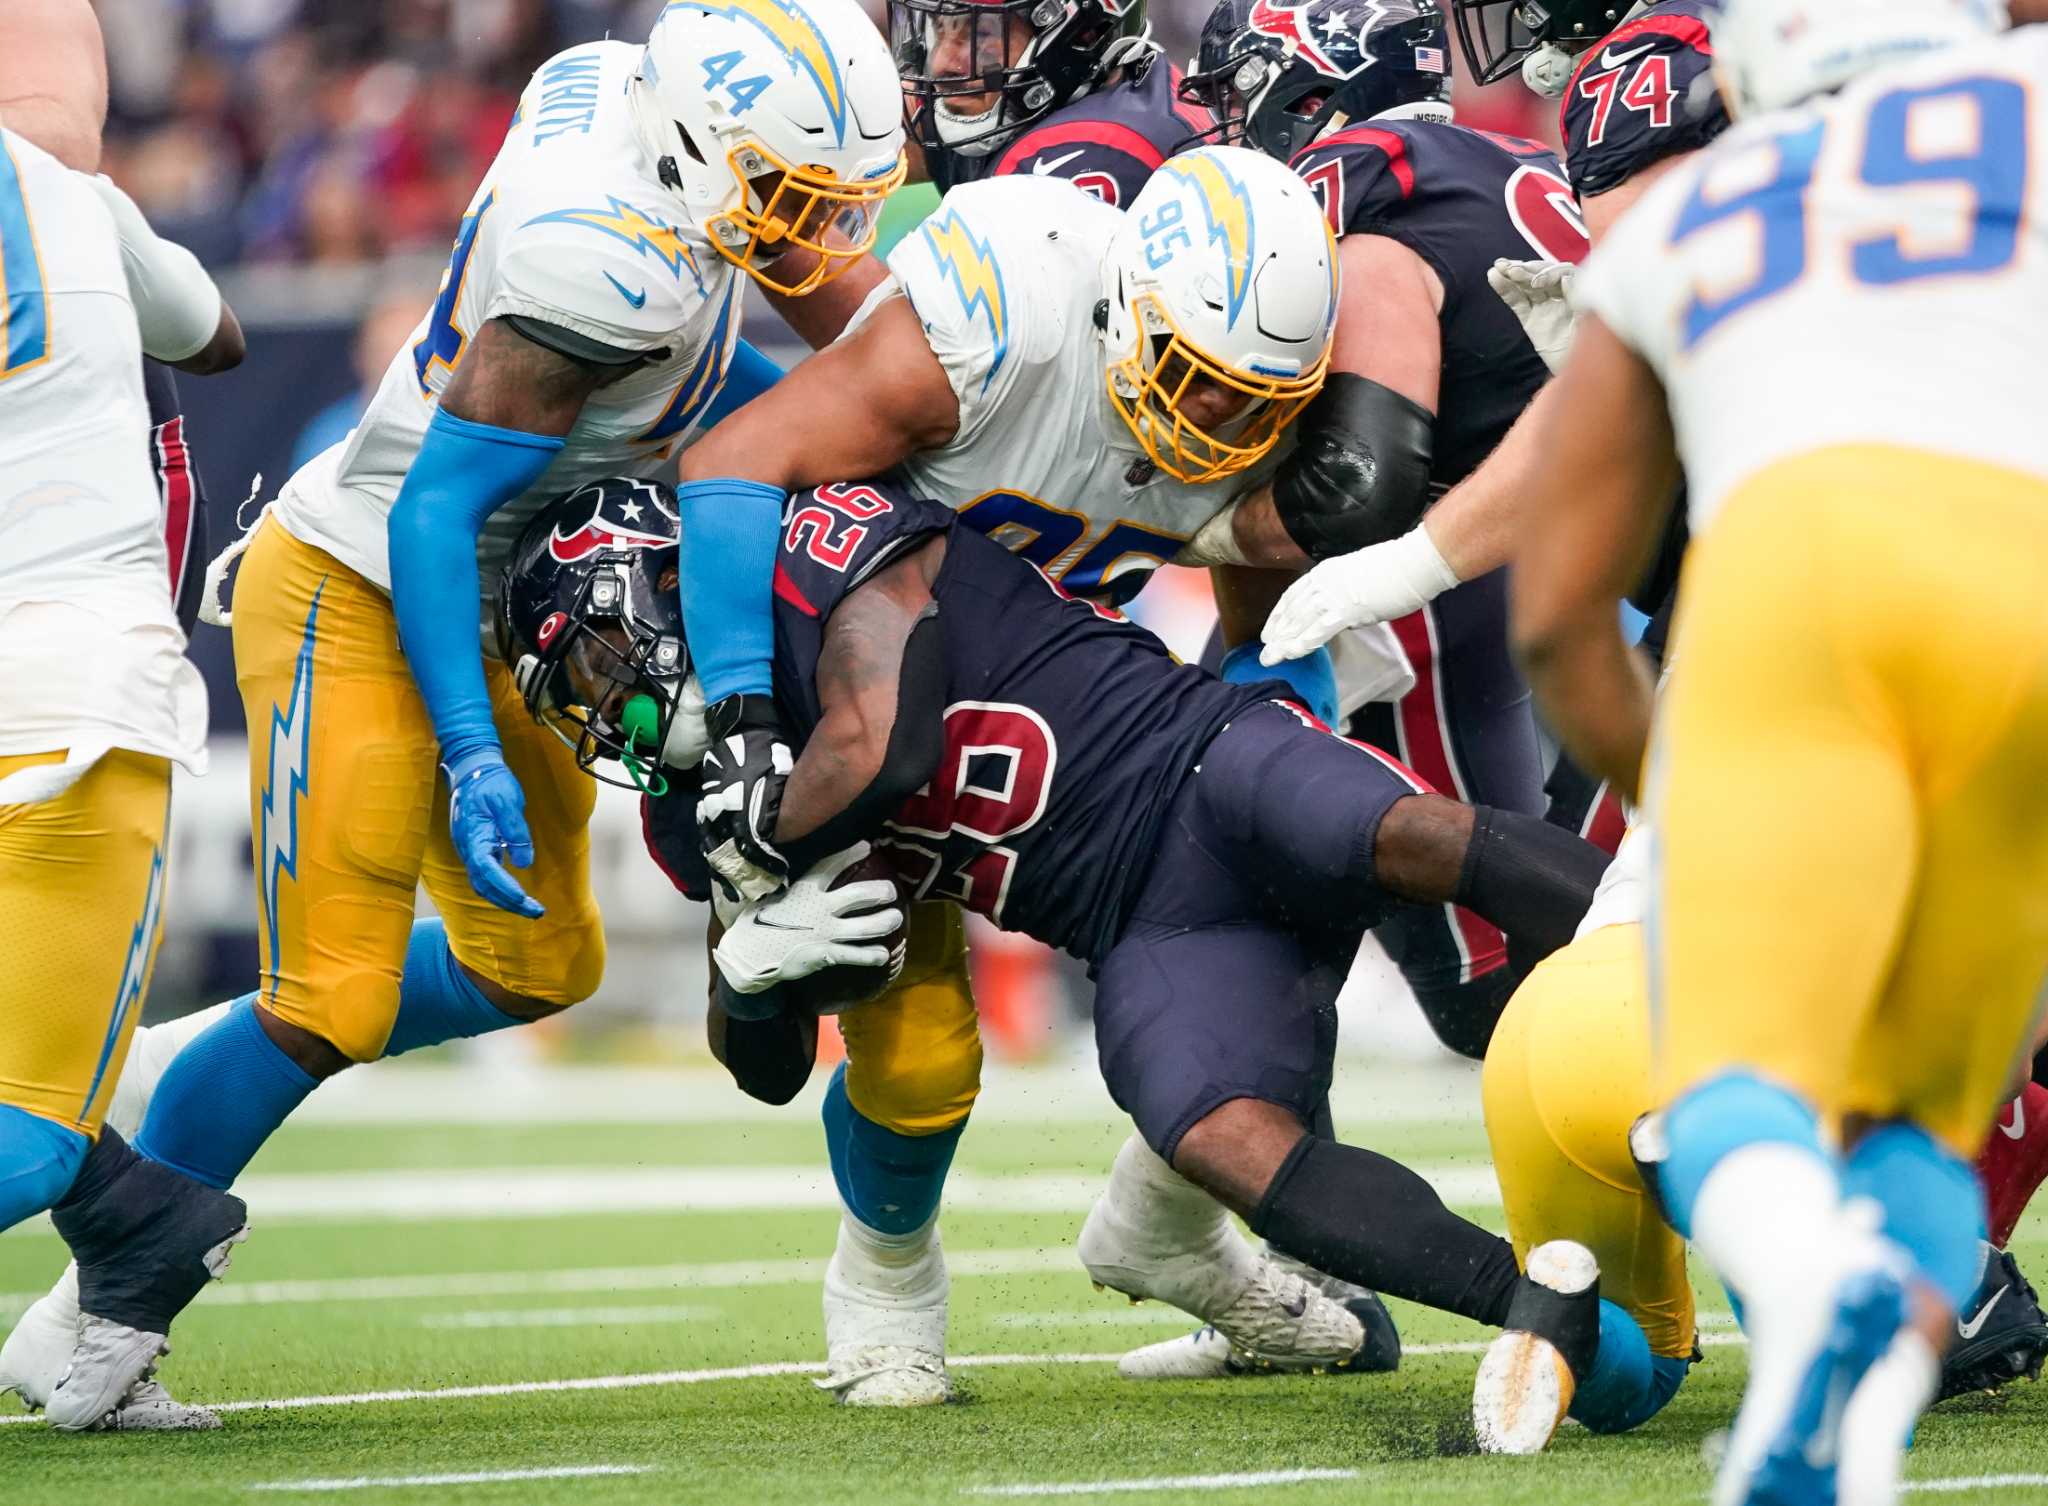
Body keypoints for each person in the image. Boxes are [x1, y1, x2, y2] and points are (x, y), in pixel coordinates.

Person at [38, 0, 908, 1418]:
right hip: (368, 578)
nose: (811, 228)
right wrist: (466, 750)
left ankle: (190, 1059)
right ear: (695, 139)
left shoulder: (619, 94)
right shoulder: (599, 256)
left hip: (507, 575)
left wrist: (858, 397)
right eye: (789, 190)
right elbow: (442, 510)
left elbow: (682, 374)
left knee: (540, 960)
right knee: (334, 992)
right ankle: (106, 1308)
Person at [499, 472, 1620, 1413]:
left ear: (662, 578)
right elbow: (769, 1073)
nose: (611, 714)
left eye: (599, 663)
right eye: (578, 701)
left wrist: (759, 840)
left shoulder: (815, 548)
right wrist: (745, 978)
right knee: (1218, 1136)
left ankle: (1683, 936)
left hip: (1200, 762)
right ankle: (1537, 1306)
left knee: (1401, 831)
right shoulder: (692, 809)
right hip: (1141, 926)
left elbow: (881, 745)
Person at [673, 142, 1359, 1402]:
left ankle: (1176, 1232)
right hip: (867, 702)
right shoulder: (1006, 320)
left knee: (1295, 882)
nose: (1219, 422)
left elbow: (1268, 623)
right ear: (1124, 309)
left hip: (1064, 725)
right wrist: (744, 721)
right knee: (915, 1044)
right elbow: (731, 464)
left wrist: (1275, 732)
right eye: (1198, 380)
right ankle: (884, 1279)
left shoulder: (1263, 409)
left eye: (1253, 399)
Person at [1508, 3, 2048, 1499]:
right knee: (1933, 1118)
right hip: (2024, 580)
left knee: (1742, 1071)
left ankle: (1805, 1291)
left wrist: (1691, 796)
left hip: (1786, 586)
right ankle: (1862, 1388)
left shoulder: (1691, 208)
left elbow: (1556, 614)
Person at [0, 78, 251, 1435]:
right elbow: (216, 334)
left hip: (57, 696)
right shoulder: (77, 199)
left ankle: (142, 1217)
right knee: (31, 1108)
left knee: (33, 1114)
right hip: (71, 690)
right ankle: (145, 1216)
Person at [892, 0, 1203, 205]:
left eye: (981, 35)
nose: (945, 62)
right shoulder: (992, 94)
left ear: (1084, 34)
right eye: (938, 27)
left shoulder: (1093, 154)